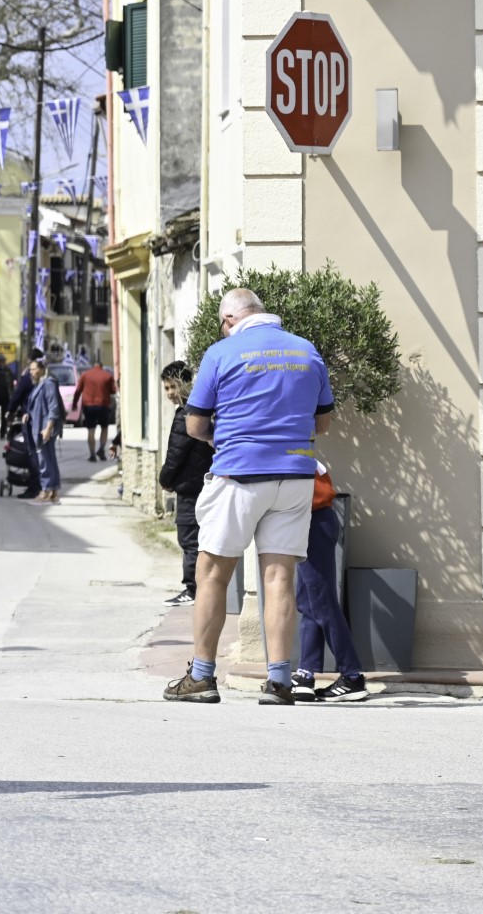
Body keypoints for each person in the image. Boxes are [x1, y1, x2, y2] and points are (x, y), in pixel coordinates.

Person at [164, 288, 333, 706]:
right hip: (295, 475)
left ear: (229, 319)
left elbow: (195, 424)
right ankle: (279, 681)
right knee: (279, 578)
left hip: (239, 474)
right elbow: (323, 423)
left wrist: (225, 437)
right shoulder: (307, 350)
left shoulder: (222, 352)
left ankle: (201, 676)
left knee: (212, 573)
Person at [294, 460, 366, 702]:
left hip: (313, 521)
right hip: (312, 521)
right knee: (308, 602)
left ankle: (352, 676)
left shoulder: (294, 456)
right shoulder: (300, 454)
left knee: (322, 602)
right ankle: (305, 674)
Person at [157, 361, 211, 606]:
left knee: (189, 538)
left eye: (173, 387)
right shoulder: (202, 409)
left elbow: (175, 455)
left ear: (185, 384)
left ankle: (192, 589)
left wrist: (165, 480)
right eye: (166, 388)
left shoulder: (185, 415)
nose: (170, 393)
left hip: (190, 487)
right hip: (203, 483)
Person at [25, 358, 66, 505]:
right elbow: (37, 404)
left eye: (34, 369)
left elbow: (53, 408)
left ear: (42, 370)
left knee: (44, 460)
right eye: (30, 370)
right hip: (39, 426)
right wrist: (28, 414)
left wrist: (48, 428)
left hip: (44, 428)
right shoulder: (40, 384)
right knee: (49, 459)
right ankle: (53, 492)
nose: (31, 372)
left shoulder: (48, 383)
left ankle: (46, 491)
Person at [74, 361, 118, 462]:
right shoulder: (107, 376)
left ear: (93, 366)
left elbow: (78, 390)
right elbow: (113, 390)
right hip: (103, 405)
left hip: (88, 406)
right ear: (101, 367)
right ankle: (101, 449)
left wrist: (74, 403)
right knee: (104, 428)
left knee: (91, 430)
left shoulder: (85, 375)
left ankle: (92, 454)